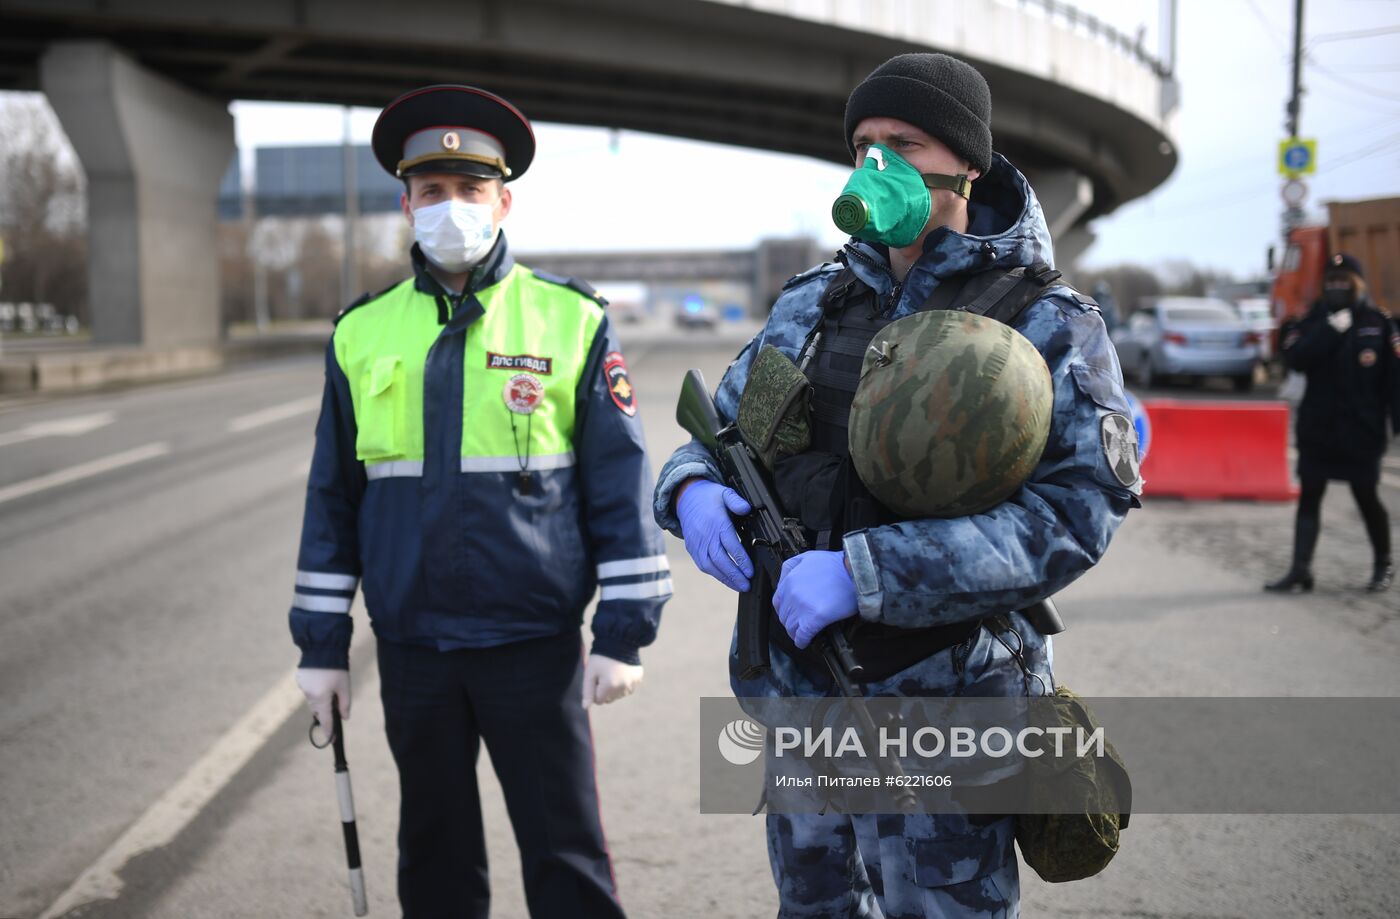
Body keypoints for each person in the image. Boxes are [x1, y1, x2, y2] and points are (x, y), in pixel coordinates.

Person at [654, 52, 1140, 917]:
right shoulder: (814, 304)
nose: (878, 163)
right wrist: (691, 491)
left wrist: (870, 572)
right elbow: (725, 430)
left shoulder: (1044, 320)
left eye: (905, 143)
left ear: (966, 163)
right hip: (804, 703)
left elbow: (1076, 512)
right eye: (864, 144)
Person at [289, 84, 671, 919]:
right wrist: (321, 644)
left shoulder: (571, 321)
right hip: (414, 647)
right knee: (434, 853)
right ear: (407, 203)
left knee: (565, 850)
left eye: (470, 190)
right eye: (433, 191)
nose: (451, 207)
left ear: (504, 200)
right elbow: (333, 499)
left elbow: (620, 487)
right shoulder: (360, 332)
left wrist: (623, 631)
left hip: (529, 644)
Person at [1266, 253, 1398, 594]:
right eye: (1331, 282)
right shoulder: (1308, 322)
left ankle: (1383, 565)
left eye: (1344, 282)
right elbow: (1296, 359)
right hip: (1319, 429)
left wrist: (1395, 425)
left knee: (1366, 495)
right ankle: (1300, 569)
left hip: (1361, 430)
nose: (1337, 287)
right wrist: (1328, 330)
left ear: (1357, 285)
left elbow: (1394, 381)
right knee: (1310, 495)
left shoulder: (1378, 323)